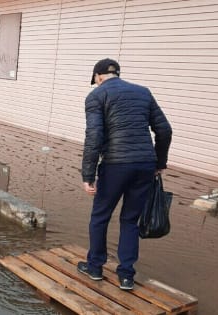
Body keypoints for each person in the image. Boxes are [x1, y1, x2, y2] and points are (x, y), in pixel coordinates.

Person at [77, 58, 172, 290]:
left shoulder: (97, 96)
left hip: (116, 165)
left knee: (100, 216)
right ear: (117, 74)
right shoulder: (143, 92)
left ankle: (96, 267)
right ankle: (127, 276)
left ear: (98, 77)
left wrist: (87, 175)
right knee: (130, 220)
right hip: (144, 165)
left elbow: (94, 138)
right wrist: (159, 162)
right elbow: (164, 130)